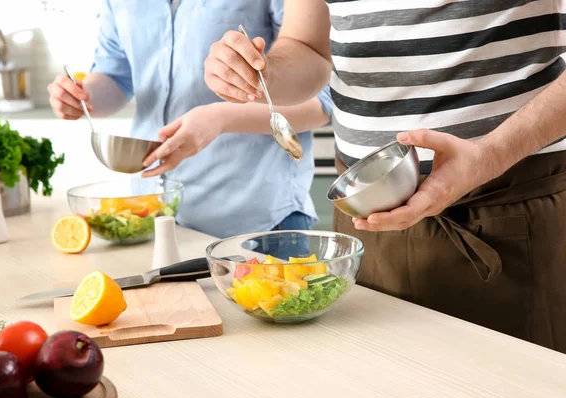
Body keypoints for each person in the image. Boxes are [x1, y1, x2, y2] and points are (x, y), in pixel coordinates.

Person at [203, 0, 566, 353]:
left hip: (504, 215)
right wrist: (263, 74)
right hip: (363, 224)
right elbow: (307, 46)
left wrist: (491, 155)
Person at [47, 0, 333, 239]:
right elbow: (116, 76)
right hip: (154, 216)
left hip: (256, 221)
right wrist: (84, 97)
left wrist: (220, 118)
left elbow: (322, 99)